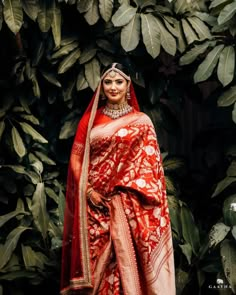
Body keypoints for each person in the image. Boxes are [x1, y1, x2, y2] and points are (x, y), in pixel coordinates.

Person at [60, 63, 176, 295]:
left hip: (131, 207)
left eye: (119, 82)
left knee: (129, 263)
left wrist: (126, 194)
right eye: (108, 82)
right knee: (98, 270)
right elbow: (76, 159)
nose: (113, 87)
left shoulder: (141, 122)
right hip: (96, 207)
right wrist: (89, 191)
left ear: (128, 86)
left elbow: (150, 167)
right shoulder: (90, 121)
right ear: (101, 88)